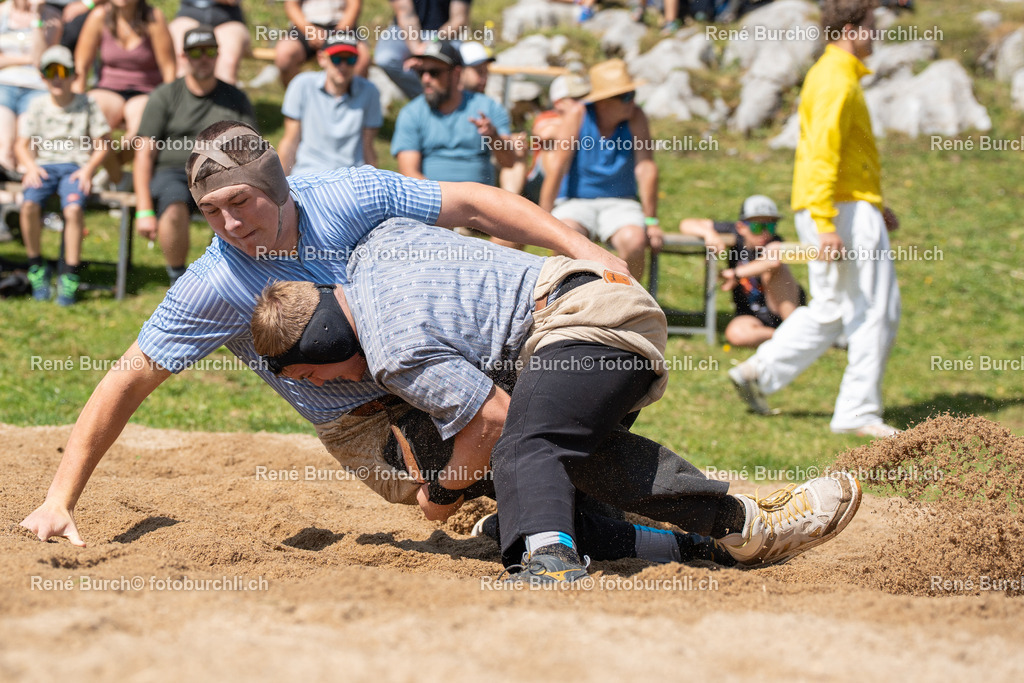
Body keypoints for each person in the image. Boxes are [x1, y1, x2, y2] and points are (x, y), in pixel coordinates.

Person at [18, 119, 631, 550]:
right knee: (490, 453)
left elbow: (470, 203)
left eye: (242, 201)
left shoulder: (346, 195)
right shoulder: (213, 285)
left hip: (442, 354)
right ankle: (578, 529)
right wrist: (60, 498)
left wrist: (581, 246)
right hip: (365, 415)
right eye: (212, 212)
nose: (230, 224)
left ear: (275, 186)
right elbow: (131, 377)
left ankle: (625, 521)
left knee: (556, 413)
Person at [249, 220, 863, 584]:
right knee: (556, 475)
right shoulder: (374, 249)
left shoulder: (389, 350)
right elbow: (477, 211)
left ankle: (550, 564)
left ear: (327, 339)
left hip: (582, 323)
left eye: (316, 374)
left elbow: (491, 418)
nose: (329, 386)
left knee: (523, 444)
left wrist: (440, 496)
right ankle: (711, 541)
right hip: (574, 321)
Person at [727, 0, 901, 438]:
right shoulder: (836, 79)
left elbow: (841, 155)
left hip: (838, 205)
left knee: (832, 307)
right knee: (875, 308)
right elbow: (823, 154)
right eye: (872, 26)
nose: (876, 35)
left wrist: (873, 204)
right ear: (851, 29)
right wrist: (828, 222)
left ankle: (759, 371)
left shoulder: (831, 75)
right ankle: (857, 411)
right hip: (839, 209)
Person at [133, 26, 255, 285]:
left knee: (236, 203)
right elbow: (143, 153)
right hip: (172, 172)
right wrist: (143, 208)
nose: (203, 58)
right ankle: (178, 277)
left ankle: (230, 272)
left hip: (221, 172)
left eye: (209, 51)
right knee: (174, 202)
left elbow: (251, 148)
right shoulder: (165, 95)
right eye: (195, 52)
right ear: (184, 57)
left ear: (217, 55)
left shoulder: (235, 98)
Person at [540, 59, 663, 279]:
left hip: (621, 202)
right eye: (625, 96)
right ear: (603, 101)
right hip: (575, 201)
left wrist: (651, 221)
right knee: (564, 236)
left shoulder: (636, 117)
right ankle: (567, 300)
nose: (632, 102)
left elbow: (646, 168)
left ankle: (627, 303)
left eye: (633, 94)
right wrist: (542, 215)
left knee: (634, 242)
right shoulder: (578, 115)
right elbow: (558, 167)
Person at [15, 44, 109, 305]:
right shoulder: (36, 105)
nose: (57, 77)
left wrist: (89, 170)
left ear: (73, 75)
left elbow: (103, 144)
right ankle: (36, 266)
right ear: (42, 76)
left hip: (75, 167)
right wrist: (30, 167)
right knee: (29, 204)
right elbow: (21, 145)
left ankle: (69, 273)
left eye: (63, 71)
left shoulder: (87, 104)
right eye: (50, 71)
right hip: (44, 166)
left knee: (73, 210)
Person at [679, 194, 806, 348]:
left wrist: (736, 274)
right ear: (741, 227)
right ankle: (795, 337)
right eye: (757, 227)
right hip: (753, 316)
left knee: (773, 268)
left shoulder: (774, 242)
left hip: (781, 309)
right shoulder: (735, 233)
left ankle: (796, 330)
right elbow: (687, 224)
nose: (765, 233)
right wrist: (709, 234)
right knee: (736, 334)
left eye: (771, 226)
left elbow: (772, 261)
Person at [72, 0, 175, 184]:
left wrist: (169, 104)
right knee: (93, 118)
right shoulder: (99, 16)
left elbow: (169, 68)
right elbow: (81, 65)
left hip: (146, 90)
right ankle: (119, 179)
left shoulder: (153, 18)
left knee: (140, 130)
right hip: (108, 88)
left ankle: (112, 174)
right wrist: (75, 100)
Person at [391, 39, 514, 186]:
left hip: (479, 203)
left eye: (434, 72)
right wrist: (448, 200)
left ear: (456, 74)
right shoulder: (411, 113)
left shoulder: (488, 107)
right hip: (432, 202)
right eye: (421, 72)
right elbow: (408, 173)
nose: (426, 79)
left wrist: (494, 137)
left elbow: (509, 162)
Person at [277, 33, 380, 176]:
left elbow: (368, 148)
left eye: (350, 59)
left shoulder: (370, 92)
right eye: (336, 59)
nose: (343, 66)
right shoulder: (301, 84)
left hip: (352, 180)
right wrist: (281, 188)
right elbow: (289, 143)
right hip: (308, 176)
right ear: (322, 59)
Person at [0, 0, 61, 177]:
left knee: (27, 146)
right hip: (4, 85)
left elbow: (43, 61)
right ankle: (4, 197)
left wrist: (36, 19)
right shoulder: (2, 12)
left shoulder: (53, 18)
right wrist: (28, 59)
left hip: (37, 87)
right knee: (5, 143)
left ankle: (24, 196)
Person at [373, 0, 470, 100]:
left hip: (443, 34)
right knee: (385, 58)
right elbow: (406, 14)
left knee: (468, 61)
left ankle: (452, 99)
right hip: (404, 31)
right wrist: (419, 54)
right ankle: (426, 99)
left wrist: (432, 45)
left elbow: (458, 19)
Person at [274, 0, 370, 88]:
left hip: (342, 25)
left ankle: (351, 102)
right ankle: (300, 99)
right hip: (305, 25)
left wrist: (338, 34)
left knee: (361, 59)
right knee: (284, 55)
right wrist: (310, 30)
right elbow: (291, 5)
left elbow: (354, 4)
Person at [167, 0, 248, 85]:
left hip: (228, 19)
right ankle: (178, 97)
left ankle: (223, 97)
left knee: (227, 62)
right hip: (188, 15)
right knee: (181, 56)